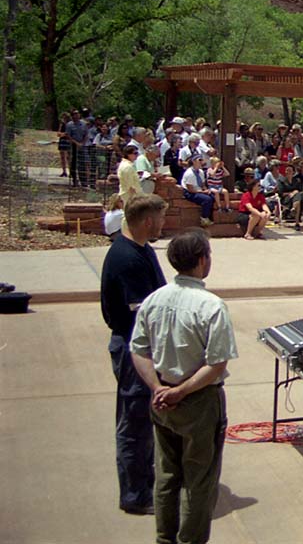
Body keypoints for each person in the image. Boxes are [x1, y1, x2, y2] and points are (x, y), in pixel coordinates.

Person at [130, 229, 237, 544]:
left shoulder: (154, 299)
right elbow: (217, 364)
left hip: (162, 400)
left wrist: (158, 388)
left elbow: (138, 350)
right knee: (198, 481)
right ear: (203, 261)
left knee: (166, 477)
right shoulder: (211, 306)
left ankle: (165, 539)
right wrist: (181, 392)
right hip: (198, 402)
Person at [99, 194, 168, 516]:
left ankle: (143, 485)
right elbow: (143, 313)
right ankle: (135, 496)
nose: (163, 224)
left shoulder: (142, 250)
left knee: (142, 422)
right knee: (134, 424)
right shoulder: (126, 259)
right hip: (133, 350)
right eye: (161, 219)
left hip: (142, 347)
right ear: (147, 221)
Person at [117, 143, 143, 208]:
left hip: (128, 195)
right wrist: (135, 198)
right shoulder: (127, 167)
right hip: (129, 196)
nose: (137, 155)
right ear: (128, 154)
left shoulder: (127, 165)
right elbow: (131, 187)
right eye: (135, 153)